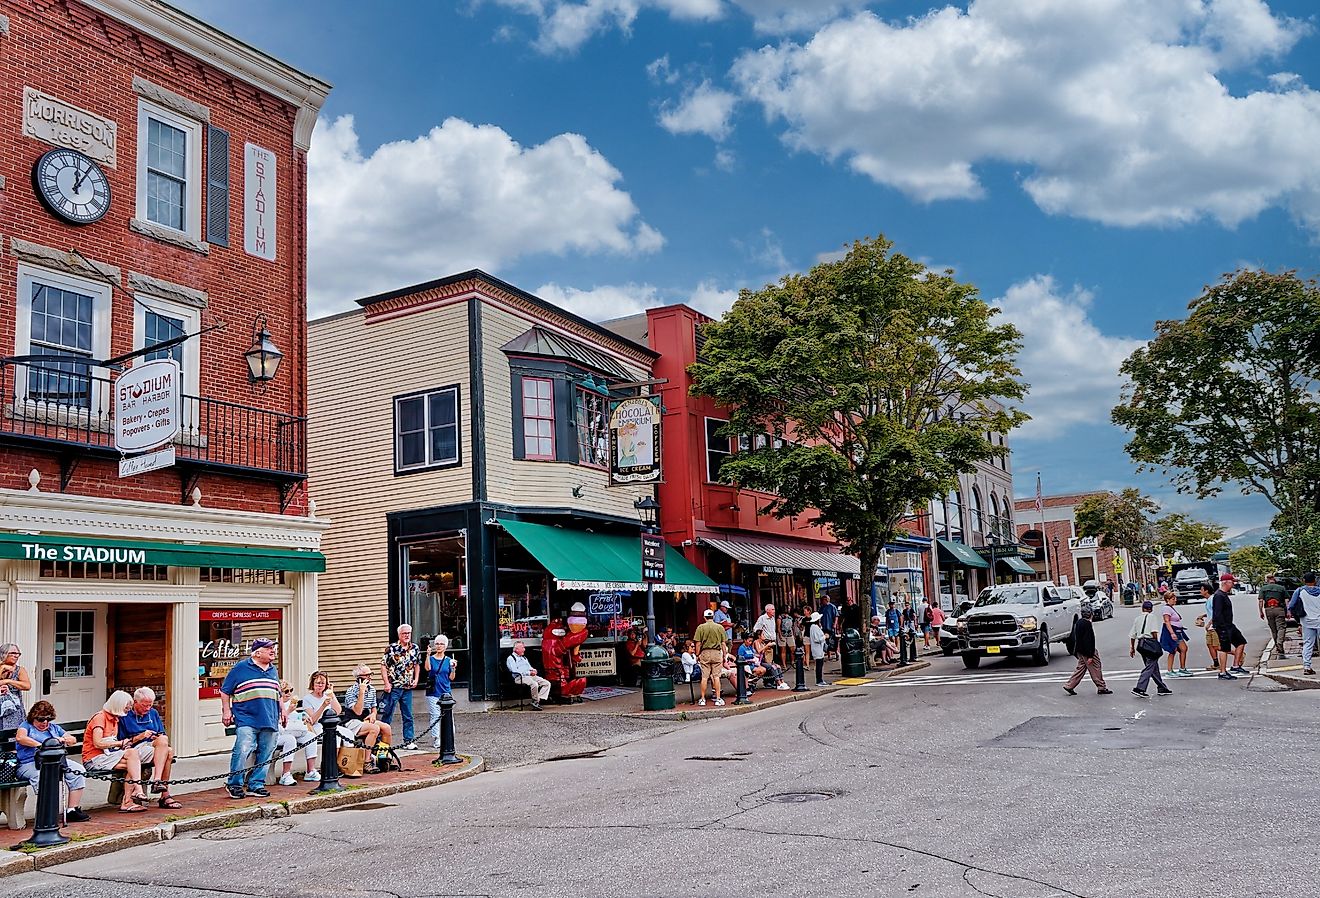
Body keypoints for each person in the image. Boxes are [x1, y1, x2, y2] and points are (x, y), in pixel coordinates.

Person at [220, 637, 284, 800]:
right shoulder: (241, 668)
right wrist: (226, 711)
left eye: (273, 648)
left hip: (270, 717)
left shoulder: (273, 670)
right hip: (246, 717)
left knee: (266, 751)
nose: (273, 651)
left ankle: (256, 784)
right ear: (257, 653)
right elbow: (225, 691)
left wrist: (283, 711)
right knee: (243, 749)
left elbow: (278, 693)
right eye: (268, 648)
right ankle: (235, 784)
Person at [17, 700, 89, 822]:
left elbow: (72, 740)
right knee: (42, 776)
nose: (44, 723)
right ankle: (46, 813)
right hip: (30, 762)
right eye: (41, 719)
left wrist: (62, 739)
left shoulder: (54, 728)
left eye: (48, 719)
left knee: (78, 770)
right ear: (33, 717)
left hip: (55, 760)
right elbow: (20, 738)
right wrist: (43, 746)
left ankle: (72, 810)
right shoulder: (26, 726)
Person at [83, 691, 152, 813]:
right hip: (94, 759)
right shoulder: (100, 718)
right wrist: (120, 743)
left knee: (133, 764)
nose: (128, 710)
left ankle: (127, 801)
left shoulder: (115, 719)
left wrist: (122, 746)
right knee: (132, 755)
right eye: (126, 708)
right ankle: (137, 790)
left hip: (108, 756)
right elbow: (97, 743)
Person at [117, 687, 181, 805]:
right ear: (135, 702)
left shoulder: (153, 713)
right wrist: (139, 737)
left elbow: (161, 734)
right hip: (134, 748)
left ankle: (157, 781)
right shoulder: (125, 715)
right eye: (144, 705)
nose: (147, 708)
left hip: (151, 746)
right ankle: (165, 795)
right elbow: (121, 742)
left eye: (150, 705)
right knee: (169, 752)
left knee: (164, 740)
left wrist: (155, 737)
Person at [379, 625, 421, 751]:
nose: (407, 635)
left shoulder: (415, 648)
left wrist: (416, 679)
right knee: (388, 714)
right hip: (394, 687)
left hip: (407, 687)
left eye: (408, 633)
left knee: (408, 715)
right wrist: (386, 683)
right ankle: (382, 742)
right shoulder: (392, 648)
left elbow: (417, 664)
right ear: (399, 635)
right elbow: (383, 665)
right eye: (404, 633)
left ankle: (408, 740)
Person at [275, 680, 317, 785]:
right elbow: (275, 722)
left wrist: (303, 716)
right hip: (278, 734)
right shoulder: (275, 704)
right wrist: (288, 711)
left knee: (311, 736)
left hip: (293, 730)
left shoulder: (291, 703)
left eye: (291, 690)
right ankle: (285, 774)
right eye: (286, 691)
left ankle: (310, 771)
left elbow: (295, 717)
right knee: (290, 740)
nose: (289, 693)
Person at [1062, 607, 1112, 696]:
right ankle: (1101, 687)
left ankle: (1069, 685)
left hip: (1080, 650)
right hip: (1087, 651)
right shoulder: (1087, 624)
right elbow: (1088, 640)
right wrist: (1090, 655)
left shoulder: (1078, 623)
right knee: (1096, 668)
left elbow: (1077, 639)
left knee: (1080, 669)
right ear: (1090, 614)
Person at [300, 671, 340, 779]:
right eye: (317, 683)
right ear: (312, 684)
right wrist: (323, 706)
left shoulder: (327, 695)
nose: (320, 686)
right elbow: (312, 720)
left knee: (347, 734)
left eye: (322, 683)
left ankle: (337, 765)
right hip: (317, 726)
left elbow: (338, 711)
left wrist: (332, 695)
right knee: (333, 737)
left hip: (332, 725)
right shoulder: (307, 699)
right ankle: (328, 767)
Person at [1129, 600, 1173, 698]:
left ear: (1142, 608)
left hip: (1141, 644)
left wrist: (1132, 647)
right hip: (1149, 643)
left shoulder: (1137, 619)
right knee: (1149, 667)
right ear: (1151, 609)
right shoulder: (1152, 617)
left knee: (1153, 666)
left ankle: (1162, 687)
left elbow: (1132, 635)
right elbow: (1154, 632)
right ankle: (1140, 688)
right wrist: (1156, 643)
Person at [342, 663, 394, 746]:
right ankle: (367, 758)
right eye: (367, 675)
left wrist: (373, 714)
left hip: (365, 719)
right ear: (359, 677)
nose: (370, 677)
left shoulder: (372, 689)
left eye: (371, 674)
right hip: (353, 721)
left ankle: (383, 753)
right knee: (374, 729)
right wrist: (361, 692)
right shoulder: (351, 691)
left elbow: (374, 707)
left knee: (386, 728)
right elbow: (358, 711)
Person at [1212, 574, 1249, 678]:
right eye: (1232, 582)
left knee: (1241, 641)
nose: (1233, 584)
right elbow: (1217, 613)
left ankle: (1236, 665)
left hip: (1230, 625)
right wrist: (1221, 627)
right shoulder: (1219, 596)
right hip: (1223, 626)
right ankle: (1222, 672)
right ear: (1226, 582)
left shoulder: (1224, 595)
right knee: (1224, 648)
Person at [424, 635, 457, 750]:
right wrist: (427, 655)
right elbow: (428, 669)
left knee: (448, 715)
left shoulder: (449, 660)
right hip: (433, 691)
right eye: (437, 644)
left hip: (446, 691)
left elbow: (451, 678)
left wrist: (453, 668)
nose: (439, 646)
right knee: (435, 715)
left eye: (441, 644)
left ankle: (450, 738)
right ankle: (437, 739)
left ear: (446, 646)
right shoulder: (431, 659)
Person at [694, 608, 728, 707]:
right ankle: (718, 698)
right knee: (716, 676)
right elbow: (723, 643)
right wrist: (725, 655)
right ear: (713, 617)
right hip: (716, 653)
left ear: (704, 617)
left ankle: (703, 699)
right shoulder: (719, 627)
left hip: (705, 652)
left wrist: (697, 655)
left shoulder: (700, 627)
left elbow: (698, 643)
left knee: (704, 677)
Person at [1288, 572, 1320, 675]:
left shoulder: (1299, 591)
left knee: (1308, 644)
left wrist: (1298, 619)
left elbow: (1291, 606)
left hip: (1306, 621)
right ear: (1315, 580)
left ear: (1304, 581)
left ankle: (1307, 667)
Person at [506, 641, 551, 710]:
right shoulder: (511, 658)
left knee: (546, 683)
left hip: (530, 676)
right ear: (516, 649)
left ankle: (537, 701)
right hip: (520, 677)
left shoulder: (524, 658)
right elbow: (515, 671)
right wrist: (528, 673)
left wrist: (533, 670)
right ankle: (535, 701)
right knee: (534, 684)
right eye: (522, 648)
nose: (524, 649)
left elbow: (529, 667)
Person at [1258, 574, 1292, 659]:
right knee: (1281, 627)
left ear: (1267, 580)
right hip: (1279, 609)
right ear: (1274, 579)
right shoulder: (1281, 588)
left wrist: (1261, 611)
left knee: (1273, 629)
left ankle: (1278, 646)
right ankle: (1280, 642)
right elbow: (1287, 600)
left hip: (1268, 610)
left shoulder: (1263, 589)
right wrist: (1288, 611)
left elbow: (1261, 601)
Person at [1159, 590, 1191, 677]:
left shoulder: (1170, 608)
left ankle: (1182, 668)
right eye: (1173, 599)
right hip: (1173, 631)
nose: (1175, 600)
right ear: (1167, 600)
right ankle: (1171, 670)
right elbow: (1167, 621)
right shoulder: (1166, 609)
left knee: (1181, 649)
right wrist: (1172, 633)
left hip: (1177, 631)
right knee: (1174, 649)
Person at [808, 611, 829, 686]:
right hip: (818, 649)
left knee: (819, 665)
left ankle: (820, 680)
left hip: (817, 649)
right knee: (819, 665)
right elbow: (817, 639)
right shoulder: (815, 628)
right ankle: (819, 680)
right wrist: (824, 637)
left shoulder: (813, 627)